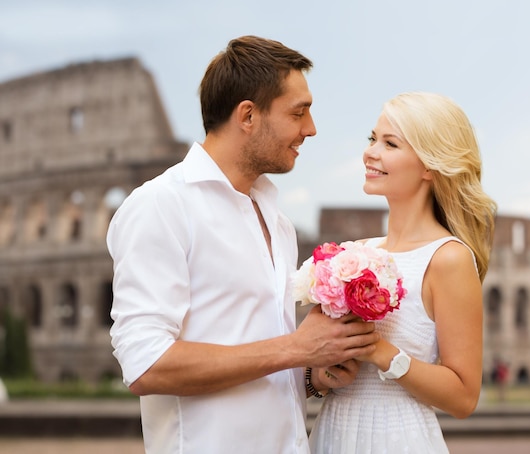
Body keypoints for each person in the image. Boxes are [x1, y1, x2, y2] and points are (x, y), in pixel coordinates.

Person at [106, 35, 379, 454]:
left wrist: (312, 375)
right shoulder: (161, 206)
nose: (311, 128)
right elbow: (146, 365)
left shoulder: (278, 221)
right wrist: (295, 348)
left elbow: (266, 360)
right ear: (248, 115)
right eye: (298, 112)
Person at [308, 92, 497, 453]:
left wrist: (381, 353)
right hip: (334, 431)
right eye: (372, 139)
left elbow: (464, 396)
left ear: (429, 166)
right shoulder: (353, 253)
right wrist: (324, 372)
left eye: (389, 143)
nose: (370, 152)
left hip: (398, 438)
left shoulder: (448, 258)